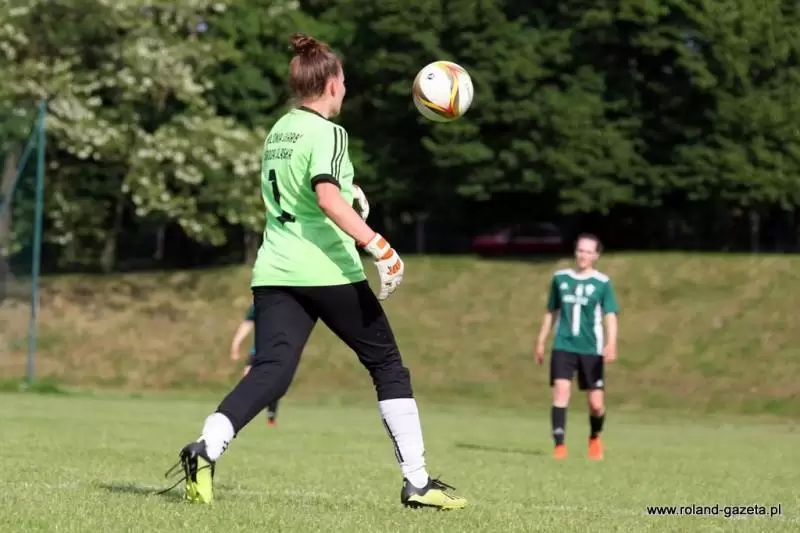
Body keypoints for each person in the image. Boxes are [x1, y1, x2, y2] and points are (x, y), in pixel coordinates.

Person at [164, 32, 467, 510]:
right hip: (327, 270)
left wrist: (350, 191)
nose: (345, 88)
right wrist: (379, 246)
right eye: (343, 81)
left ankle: (206, 446)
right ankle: (417, 482)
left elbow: (306, 189)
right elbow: (325, 198)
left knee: (272, 371)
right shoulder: (330, 133)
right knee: (387, 366)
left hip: (275, 270)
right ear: (330, 85)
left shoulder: (279, 130)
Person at [534, 233, 619, 460]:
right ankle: (559, 446)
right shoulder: (560, 278)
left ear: (596, 256)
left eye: (588, 252)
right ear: (575, 252)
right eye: (580, 250)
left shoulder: (602, 283)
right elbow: (551, 311)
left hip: (591, 349)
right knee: (561, 392)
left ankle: (595, 437)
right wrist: (541, 340)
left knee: (596, 404)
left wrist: (611, 343)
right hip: (563, 345)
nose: (583, 255)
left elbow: (610, 315)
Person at [229, 304, 279, 426]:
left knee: (274, 382)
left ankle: (271, 416)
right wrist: (235, 344)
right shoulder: (257, 305)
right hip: (258, 350)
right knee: (247, 380)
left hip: (277, 351)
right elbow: (246, 325)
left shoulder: (283, 305)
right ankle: (240, 413)